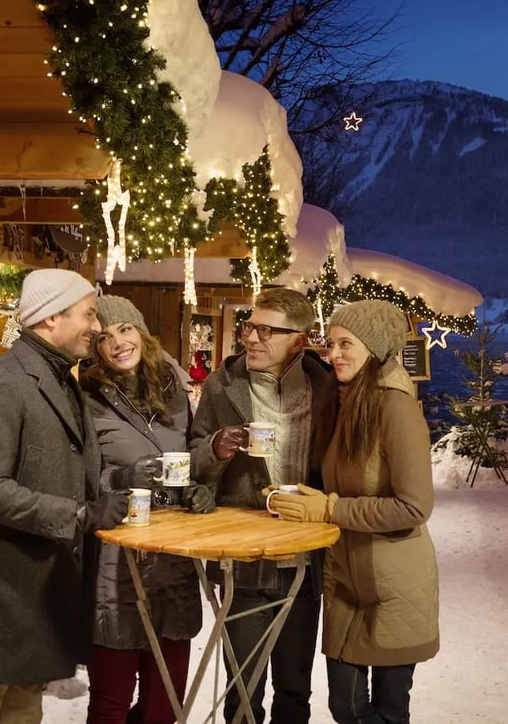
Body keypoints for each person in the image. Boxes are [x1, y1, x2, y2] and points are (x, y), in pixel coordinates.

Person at [0, 269, 130, 723]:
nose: (97, 328)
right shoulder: (0, 382)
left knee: (22, 711)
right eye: (89, 315)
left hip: (36, 591)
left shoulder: (63, 381)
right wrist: (77, 514)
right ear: (50, 318)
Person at [270, 300, 439, 724]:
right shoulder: (345, 401)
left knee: (386, 711)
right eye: (331, 343)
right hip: (346, 579)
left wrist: (327, 508)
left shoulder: (395, 407)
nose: (334, 354)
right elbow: (343, 486)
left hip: (394, 584)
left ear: (375, 348)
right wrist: (299, 495)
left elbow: (413, 506)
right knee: (343, 706)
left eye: (346, 344)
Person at [189, 288, 337, 724]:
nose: (252, 338)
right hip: (245, 559)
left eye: (266, 330)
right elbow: (194, 452)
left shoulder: (327, 389)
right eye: (250, 327)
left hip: (304, 560)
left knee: (294, 691)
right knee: (242, 688)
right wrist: (215, 448)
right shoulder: (223, 383)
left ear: (299, 340)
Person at [82, 296, 216, 724]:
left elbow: (191, 455)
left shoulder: (175, 391)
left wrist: (199, 490)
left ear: (140, 331)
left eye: (124, 329)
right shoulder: (87, 398)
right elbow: (78, 480)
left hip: (173, 554)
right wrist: (121, 479)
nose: (118, 343)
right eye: (104, 337)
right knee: (112, 700)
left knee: (166, 703)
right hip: (117, 556)